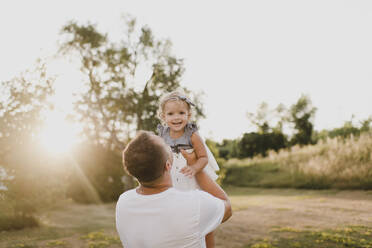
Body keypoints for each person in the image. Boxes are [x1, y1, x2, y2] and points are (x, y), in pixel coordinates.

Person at [116, 131, 232, 248]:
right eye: (165, 144)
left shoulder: (123, 202)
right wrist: (195, 167)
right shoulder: (194, 203)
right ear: (168, 165)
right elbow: (227, 207)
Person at [157, 90, 220, 247]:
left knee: (204, 221)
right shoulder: (162, 135)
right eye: (171, 114)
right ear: (163, 117)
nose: (176, 117)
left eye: (181, 113)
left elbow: (203, 157)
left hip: (193, 181)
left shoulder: (192, 135)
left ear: (188, 115)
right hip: (174, 179)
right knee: (178, 219)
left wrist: (195, 168)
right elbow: (159, 157)